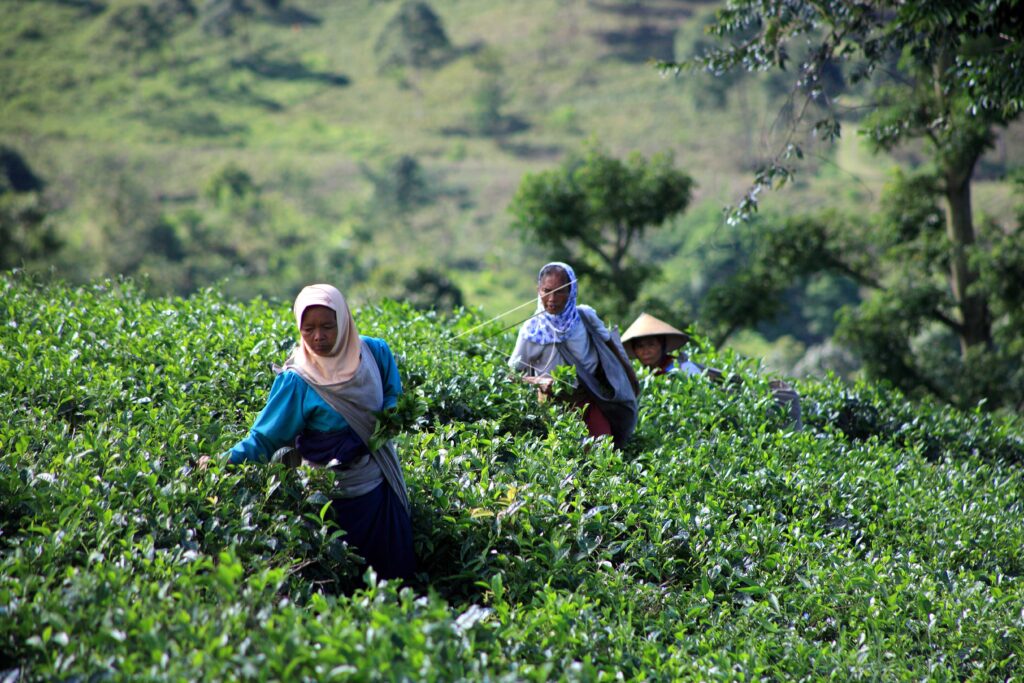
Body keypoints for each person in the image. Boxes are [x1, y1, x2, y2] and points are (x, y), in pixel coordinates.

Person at [199, 284, 415, 582]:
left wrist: (389, 417)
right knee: (340, 580)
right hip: (328, 499)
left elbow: (393, 394)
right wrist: (222, 461)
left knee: (390, 578)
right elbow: (264, 439)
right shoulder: (297, 381)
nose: (318, 337)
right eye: (308, 329)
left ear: (344, 321)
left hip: (375, 487)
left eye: (328, 326)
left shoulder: (375, 352)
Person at [509, 262, 639, 447]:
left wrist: (630, 378)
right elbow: (511, 375)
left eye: (560, 291)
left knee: (603, 451)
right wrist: (537, 382)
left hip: (589, 398)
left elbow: (611, 346)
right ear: (538, 290)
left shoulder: (585, 317)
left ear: (571, 292)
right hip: (552, 406)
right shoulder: (531, 330)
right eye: (547, 290)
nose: (552, 298)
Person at [621, 312, 803, 431]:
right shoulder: (641, 378)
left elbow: (707, 397)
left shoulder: (681, 368)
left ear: (662, 345)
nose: (645, 351)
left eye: (651, 345)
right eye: (640, 346)